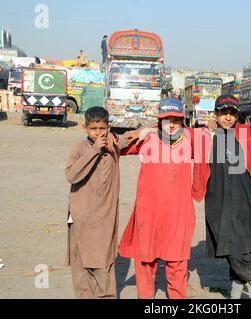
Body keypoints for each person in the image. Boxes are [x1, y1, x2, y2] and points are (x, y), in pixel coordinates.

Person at [191, 95, 251, 299]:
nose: (227, 117)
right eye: (223, 113)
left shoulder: (250, 132)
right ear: (215, 114)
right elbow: (172, 134)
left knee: (241, 245)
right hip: (216, 199)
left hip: (245, 197)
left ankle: (247, 289)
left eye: (232, 113)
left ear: (237, 115)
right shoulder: (203, 135)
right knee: (225, 243)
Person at [119, 98, 196, 299]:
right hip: (149, 213)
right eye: (165, 120)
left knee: (177, 262)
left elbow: (218, 138)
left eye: (176, 120)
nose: (171, 125)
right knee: (145, 260)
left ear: (183, 122)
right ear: (158, 121)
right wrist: (142, 131)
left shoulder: (190, 141)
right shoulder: (146, 140)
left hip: (179, 214)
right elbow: (119, 145)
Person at [64, 107, 138, 299]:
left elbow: (134, 136)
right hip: (80, 215)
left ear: (108, 127)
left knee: (103, 262)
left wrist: (152, 128)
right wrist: (94, 150)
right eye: (93, 129)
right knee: (80, 263)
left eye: (102, 128)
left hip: (104, 217)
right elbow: (71, 175)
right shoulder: (79, 148)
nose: (98, 133)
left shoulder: (113, 145)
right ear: (84, 128)